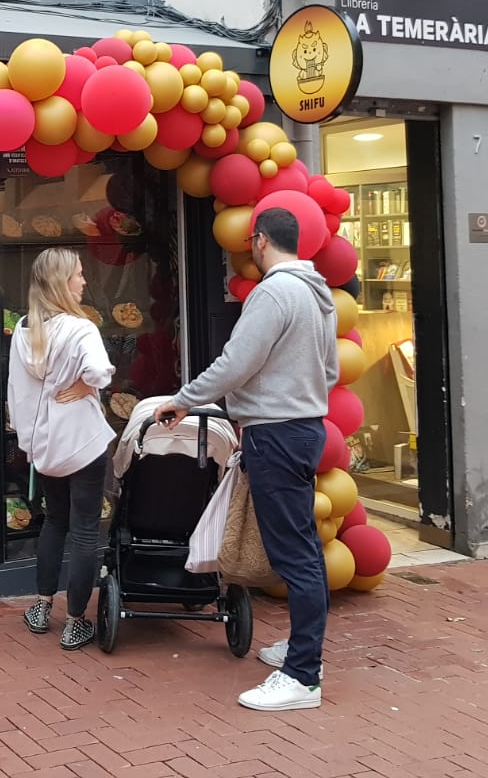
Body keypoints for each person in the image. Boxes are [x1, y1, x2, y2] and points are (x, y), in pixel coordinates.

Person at [159, 207, 338, 712]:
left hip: (276, 434)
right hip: (305, 430)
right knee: (303, 546)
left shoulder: (273, 292)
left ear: (259, 241)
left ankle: (302, 676)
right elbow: (329, 370)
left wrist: (184, 399)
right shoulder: (315, 293)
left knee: (294, 554)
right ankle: (307, 653)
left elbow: (236, 362)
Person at [7, 247, 115, 651]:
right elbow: (99, 371)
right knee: (86, 530)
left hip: (44, 445)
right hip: (82, 442)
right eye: (79, 275)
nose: (84, 281)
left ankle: (41, 605)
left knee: (54, 521)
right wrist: (89, 385)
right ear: (61, 282)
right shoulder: (80, 327)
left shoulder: (23, 329)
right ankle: (75, 621)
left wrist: (26, 434)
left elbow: (15, 388)